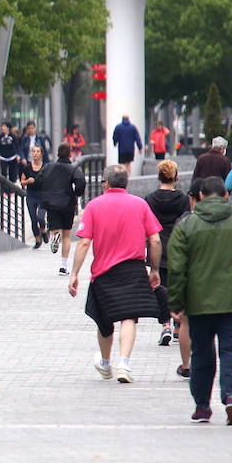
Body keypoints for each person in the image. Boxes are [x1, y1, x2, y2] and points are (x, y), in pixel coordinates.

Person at [167, 176, 232, 424]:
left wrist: (175, 302)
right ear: (226, 196)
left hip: (199, 302)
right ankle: (231, 396)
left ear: (200, 196)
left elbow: (176, 268)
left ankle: (202, 406)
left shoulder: (186, 226)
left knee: (202, 353)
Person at [68, 164, 162, 384]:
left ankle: (105, 363)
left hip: (103, 272)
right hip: (133, 269)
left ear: (106, 183)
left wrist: (74, 273)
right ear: (126, 183)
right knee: (129, 317)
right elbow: (155, 239)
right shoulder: (140, 205)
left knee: (104, 321)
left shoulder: (94, 206)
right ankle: (124, 364)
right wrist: (154, 269)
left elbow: (83, 242)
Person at [145, 160, 193, 368]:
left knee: (160, 285)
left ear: (159, 177)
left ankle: (164, 322)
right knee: (176, 285)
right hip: (177, 245)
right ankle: (177, 326)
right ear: (175, 176)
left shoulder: (150, 199)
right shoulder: (182, 198)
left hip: (157, 244)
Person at [38, 143, 86, 275]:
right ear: (70, 154)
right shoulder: (72, 168)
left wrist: (46, 191)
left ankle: (54, 236)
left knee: (54, 228)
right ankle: (63, 267)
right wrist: (77, 193)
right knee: (67, 235)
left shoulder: (48, 167)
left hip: (51, 203)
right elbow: (81, 181)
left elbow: (39, 180)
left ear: (58, 153)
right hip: (67, 203)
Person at [19, 144, 48, 249]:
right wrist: (27, 181)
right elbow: (22, 182)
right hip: (31, 195)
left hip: (42, 195)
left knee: (41, 217)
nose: (35, 154)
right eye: (34, 152)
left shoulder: (45, 167)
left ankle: (44, 230)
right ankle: (37, 239)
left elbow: (50, 179)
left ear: (41, 154)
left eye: (37, 152)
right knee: (33, 218)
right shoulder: (27, 167)